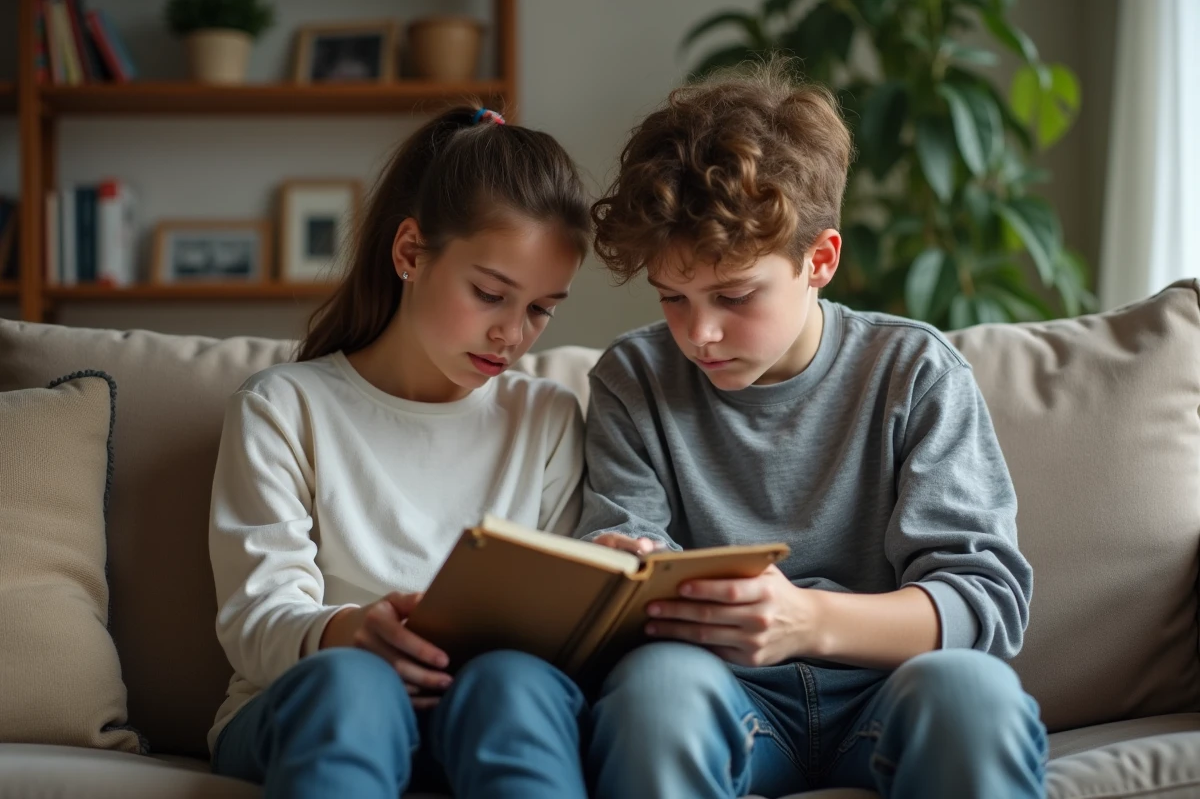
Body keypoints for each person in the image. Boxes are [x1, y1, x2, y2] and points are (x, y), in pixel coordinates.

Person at [576, 61, 1048, 798]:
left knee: (973, 697)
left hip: (887, 692)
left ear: (818, 260)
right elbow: (622, 561)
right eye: (673, 297)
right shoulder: (633, 379)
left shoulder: (914, 371)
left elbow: (982, 599)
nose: (699, 333)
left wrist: (807, 621)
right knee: (654, 693)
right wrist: (620, 567)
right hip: (721, 696)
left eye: (734, 295)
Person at [207, 105, 593, 799]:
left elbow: (558, 629)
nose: (512, 333)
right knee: (354, 686)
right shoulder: (284, 407)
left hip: (479, 708)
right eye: (490, 294)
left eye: (541, 309)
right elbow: (256, 618)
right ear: (410, 253)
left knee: (514, 685)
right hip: (309, 705)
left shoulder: (549, 417)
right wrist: (348, 631)